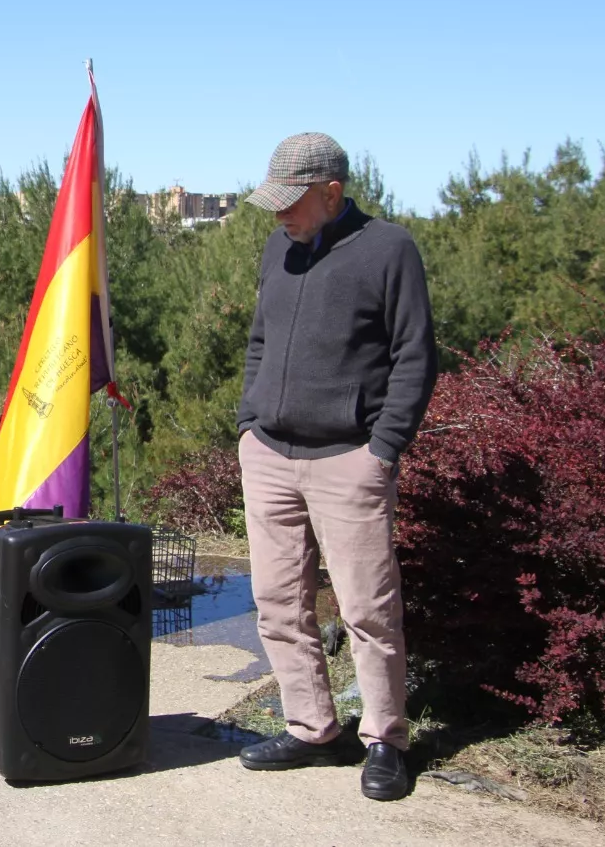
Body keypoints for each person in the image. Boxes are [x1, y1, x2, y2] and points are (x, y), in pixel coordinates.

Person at [234, 132, 437, 801]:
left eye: (291, 203)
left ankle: (385, 739)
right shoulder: (278, 248)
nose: (280, 216)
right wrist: (248, 425)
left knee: (368, 610)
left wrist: (383, 451)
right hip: (270, 454)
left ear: (332, 192)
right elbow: (260, 340)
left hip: (349, 457)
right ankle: (314, 729)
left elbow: (415, 356)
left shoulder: (389, 249)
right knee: (278, 604)